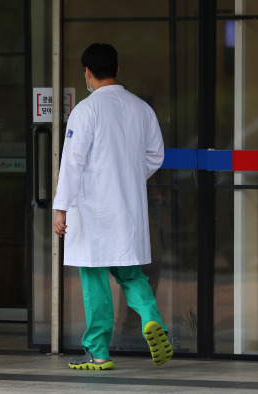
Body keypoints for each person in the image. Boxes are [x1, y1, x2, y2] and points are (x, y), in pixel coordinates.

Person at [53, 43, 172, 370]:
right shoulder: (141, 109)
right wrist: (130, 177)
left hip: (91, 212)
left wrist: (60, 207)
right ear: (117, 70)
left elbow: (72, 163)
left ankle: (98, 352)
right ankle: (151, 319)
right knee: (132, 275)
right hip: (128, 210)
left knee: (94, 282)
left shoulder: (85, 111)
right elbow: (155, 157)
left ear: (87, 73)